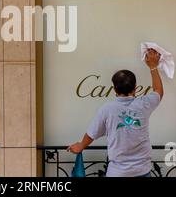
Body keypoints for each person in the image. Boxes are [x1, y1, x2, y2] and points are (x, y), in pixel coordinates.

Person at [67, 48, 163, 177]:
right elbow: (158, 91)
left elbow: (91, 133)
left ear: (114, 89)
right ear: (135, 88)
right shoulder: (144, 104)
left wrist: (81, 145)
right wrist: (153, 66)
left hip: (117, 173)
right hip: (142, 171)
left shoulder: (107, 109)